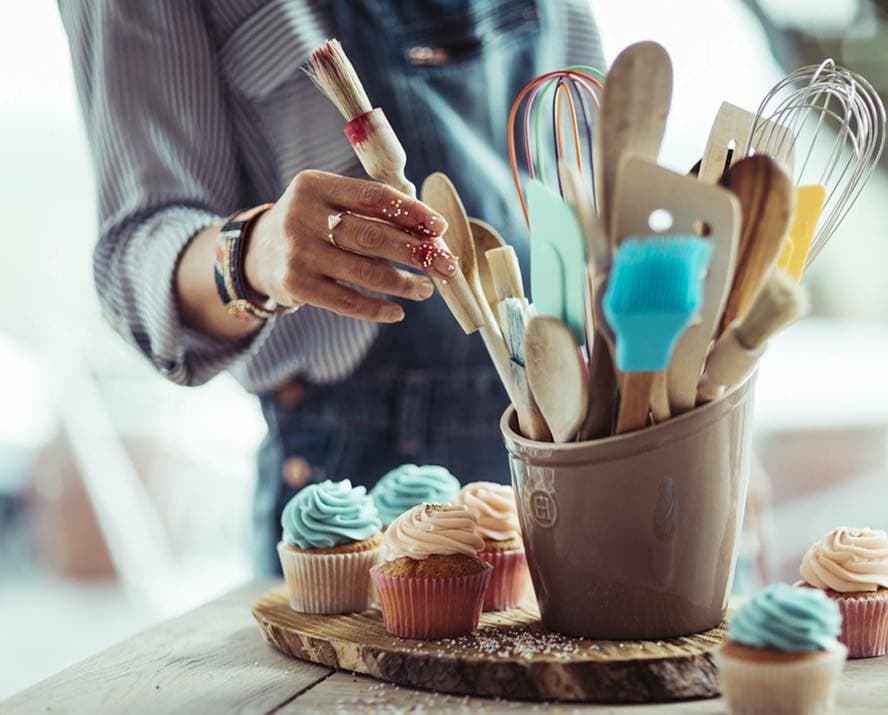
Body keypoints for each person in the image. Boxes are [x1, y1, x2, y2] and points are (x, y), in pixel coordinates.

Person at [59, 0, 603, 575]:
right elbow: (131, 261)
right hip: (353, 471)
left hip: (568, 423)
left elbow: (591, 173)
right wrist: (251, 253)